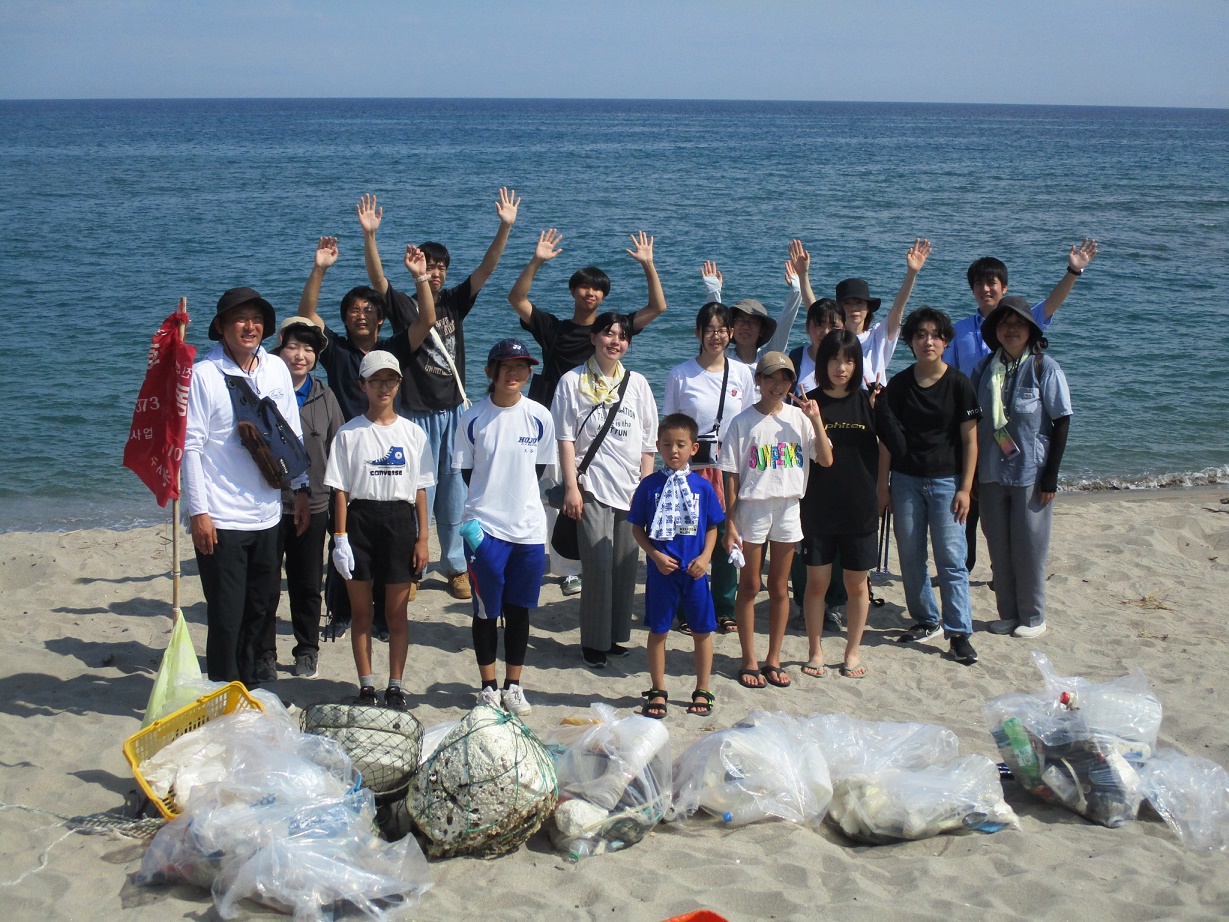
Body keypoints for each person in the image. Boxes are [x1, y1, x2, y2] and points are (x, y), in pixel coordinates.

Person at [361, 190, 521, 600]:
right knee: (415, 491)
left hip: (453, 412)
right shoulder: (404, 306)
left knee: (454, 494)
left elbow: (487, 267)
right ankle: (412, 568)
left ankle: (454, 566)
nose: (436, 273)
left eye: (441, 268)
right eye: (430, 266)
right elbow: (378, 280)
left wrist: (505, 226)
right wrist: (370, 236)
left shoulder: (453, 303)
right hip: (414, 413)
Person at [509, 227, 667, 596]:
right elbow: (517, 298)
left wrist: (648, 265)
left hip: (600, 433)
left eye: (597, 289)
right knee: (556, 495)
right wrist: (537, 261)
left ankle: (579, 562)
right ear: (573, 291)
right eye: (583, 287)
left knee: (587, 499)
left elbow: (657, 307)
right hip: (556, 426)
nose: (590, 293)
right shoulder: (553, 328)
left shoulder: (614, 330)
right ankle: (566, 567)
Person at [944, 241, 1098, 573]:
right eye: (978, 283)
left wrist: (1073, 271)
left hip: (1016, 431)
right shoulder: (959, 331)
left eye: (992, 282)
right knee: (969, 501)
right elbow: (948, 377)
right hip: (975, 428)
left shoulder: (1020, 321)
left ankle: (1002, 572)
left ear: (1004, 287)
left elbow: (1051, 304)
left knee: (1008, 506)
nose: (985, 289)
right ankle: (963, 567)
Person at [183, 288, 310, 685]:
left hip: (268, 513)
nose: (250, 326)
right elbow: (190, 447)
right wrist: (198, 513)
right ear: (221, 326)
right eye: (240, 318)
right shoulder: (205, 375)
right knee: (226, 614)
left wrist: (301, 488)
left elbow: (291, 432)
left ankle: (250, 686)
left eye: (256, 319)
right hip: (221, 517)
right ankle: (224, 688)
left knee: (261, 607)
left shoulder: (275, 369)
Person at [325, 350, 435, 710]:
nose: (383, 387)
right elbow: (340, 491)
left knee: (396, 614)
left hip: (400, 522)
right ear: (363, 385)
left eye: (390, 380)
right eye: (375, 380)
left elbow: (420, 490)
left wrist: (423, 538)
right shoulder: (348, 433)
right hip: (360, 521)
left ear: (399, 383)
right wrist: (340, 539)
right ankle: (366, 686)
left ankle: (396, 686)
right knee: (361, 613)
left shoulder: (413, 433)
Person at [453, 339, 556, 715]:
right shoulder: (473, 417)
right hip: (485, 528)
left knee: (519, 609)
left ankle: (513, 685)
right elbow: (467, 472)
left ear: (529, 372)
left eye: (522, 366)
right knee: (485, 610)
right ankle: (488, 687)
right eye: (506, 366)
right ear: (490, 371)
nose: (514, 373)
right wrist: (491, 502)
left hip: (527, 529)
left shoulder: (540, 416)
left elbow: (538, 469)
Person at [551, 312, 658, 669]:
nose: (616, 341)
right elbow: (565, 438)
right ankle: (593, 643)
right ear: (593, 337)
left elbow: (648, 442)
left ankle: (614, 638)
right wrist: (571, 487)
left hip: (630, 488)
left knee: (624, 566)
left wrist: (645, 485)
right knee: (597, 568)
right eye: (609, 334)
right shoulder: (572, 381)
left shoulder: (637, 383)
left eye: (623, 336)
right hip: (591, 485)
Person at [720, 352, 832, 689]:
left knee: (781, 587)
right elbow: (730, 476)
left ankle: (773, 658)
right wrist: (730, 522)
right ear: (758, 380)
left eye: (785, 378)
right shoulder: (742, 422)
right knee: (750, 585)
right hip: (752, 508)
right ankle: (749, 659)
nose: (778, 384)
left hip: (788, 507)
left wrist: (816, 419)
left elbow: (826, 459)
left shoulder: (799, 418)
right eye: (771, 377)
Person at [799, 330, 904, 679]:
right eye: (833, 359)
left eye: (848, 360)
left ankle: (852, 651)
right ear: (822, 362)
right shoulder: (809, 403)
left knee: (857, 585)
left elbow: (898, 447)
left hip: (860, 506)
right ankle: (815, 651)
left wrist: (882, 409)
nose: (840, 367)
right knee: (817, 583)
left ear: (858, 364)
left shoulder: (868, 401)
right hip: (818, 506)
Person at [881, 307, 982, 666]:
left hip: (947, 482)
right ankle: (926, 619)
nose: (928, 341)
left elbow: (971, 442)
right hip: (905, 481)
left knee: (951, 560)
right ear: (910, 341)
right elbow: (886, 441)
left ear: (946, 341)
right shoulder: (898, 385)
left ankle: (959, 634)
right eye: (920, 334)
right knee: (911, 557)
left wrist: (966, 488)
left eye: (936, 335)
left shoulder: (959, 384)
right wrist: (882, 486)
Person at [970, 296, 1073, 639]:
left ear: (1030, 329)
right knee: (998, 547)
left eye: (1018, 323)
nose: (1010, 329)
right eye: (1004, 323)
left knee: (1029, 547)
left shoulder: (1045, 367)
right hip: (990, 471)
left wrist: (1051, 475)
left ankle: (1033, 617)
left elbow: (1061, 421)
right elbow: (972, 421)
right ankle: (1008, 613)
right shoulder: (984, 368)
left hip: (1031, 473)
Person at [662, 301, 755, 633]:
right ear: (698, 333)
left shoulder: (742, 373)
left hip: (730, 466)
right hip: (691, 468)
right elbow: (670, 426)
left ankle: (725, 608)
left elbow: (749, 422)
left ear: (731, 333)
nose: (716, 336)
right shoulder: (681, 374)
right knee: (690, 536)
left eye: (722, 330)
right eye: (710, 330)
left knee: (729, 534)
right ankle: (688, 608)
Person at [258, 317, 343, 681]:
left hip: (316, 502)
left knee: (307, 584)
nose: (300, 355)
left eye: (309, 349)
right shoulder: (261, 390)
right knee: (264, 584)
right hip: (267, 503)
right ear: (279, 347)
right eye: (293, 346)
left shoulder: (325, 396)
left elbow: (339, 450)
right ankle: (263, 653)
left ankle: (307, 649)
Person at [629, 414, 725, 718]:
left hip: (694, 572)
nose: (673, 450)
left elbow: (713, 527)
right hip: (662, 572)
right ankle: (658, 689)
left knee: (702, 630)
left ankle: (703, 688)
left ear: (694, 448)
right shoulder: (649, 486)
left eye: (681, 444)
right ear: (658, 446)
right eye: (667, 444)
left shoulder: (702, 487)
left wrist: (706, 557)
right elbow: (637, 528)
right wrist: (655, 556)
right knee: (659, 630)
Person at [788, 298, 849, 628]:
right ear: (808, 327)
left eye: (832, 325)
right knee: (802, 532)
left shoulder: (848, 359)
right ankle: (802, 601)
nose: (825, 331)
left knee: (837, 532)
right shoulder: (797, 359)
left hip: (840, 456)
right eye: (818, 324)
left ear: (843, 327)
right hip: (801, 457)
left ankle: (835, 602)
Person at [701, 238, 813, 371]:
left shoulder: (767, 358)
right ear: (732, 328)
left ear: (762, 330)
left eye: (752, 322)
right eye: (740, 320)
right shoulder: (722, 356)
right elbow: (715, 321)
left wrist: (797, 289)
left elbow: (785, 323)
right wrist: (713, 291)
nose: (745, 327)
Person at [834, 238, 932, 388]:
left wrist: (911, 273)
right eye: (847, 303)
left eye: (859, 303)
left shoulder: (879, 336)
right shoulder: (833, 339)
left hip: (876, 400)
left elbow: (898, 309)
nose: (853, 308)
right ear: (839, 308)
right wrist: (803, 277)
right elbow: (814, 311)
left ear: (868, 308)